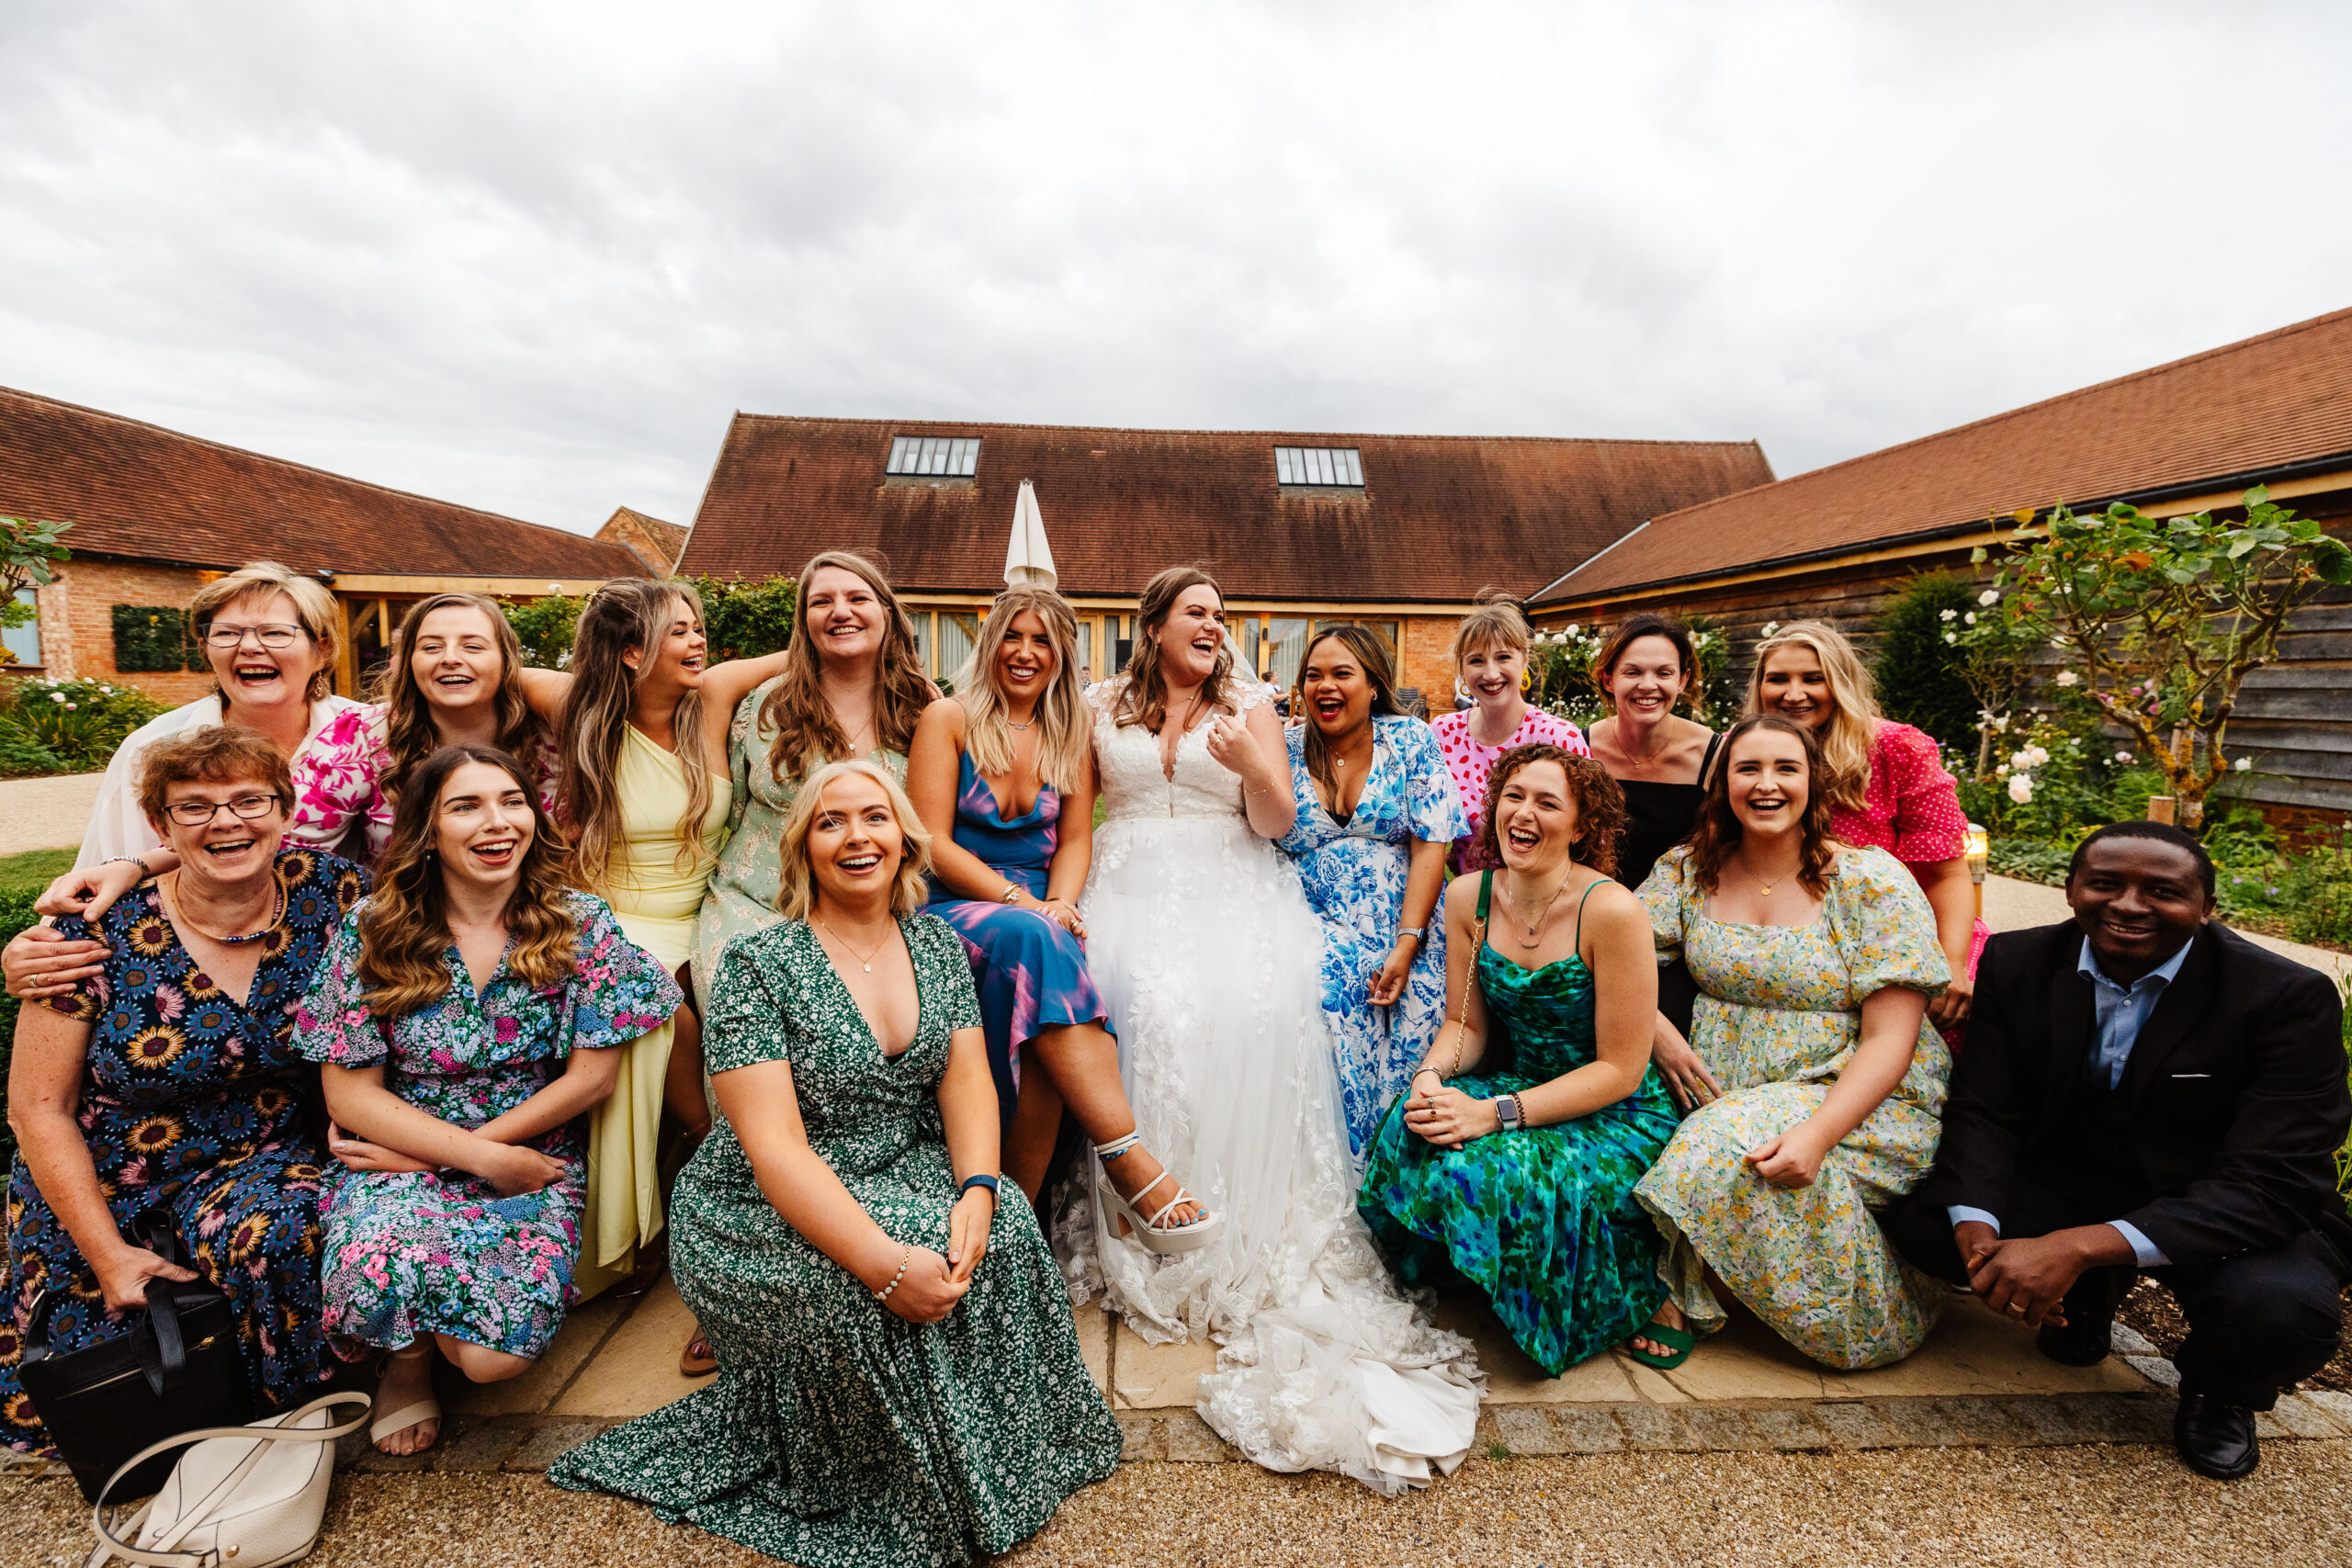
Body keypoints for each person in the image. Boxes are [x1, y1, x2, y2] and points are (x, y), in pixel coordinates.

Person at [547, 761, 1121, 1567]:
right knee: (869, 1292)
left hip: (902, 1158)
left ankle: (990, 1459)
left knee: (1005, 1236)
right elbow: (774, 1149)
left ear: (904, 840)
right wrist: (886, 1267)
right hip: (761, 1203)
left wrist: (981, 1190)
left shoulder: (935, 943)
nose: (857, 836)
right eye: (831, 821)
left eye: (875, 817)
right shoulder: (757, 966)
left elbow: (968, 1086)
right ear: (802, 849)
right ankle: (906, 1483)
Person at [1066, 564, 1480, 1494]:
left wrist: (1255, 765)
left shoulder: (1251, 702)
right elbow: (1079, 822)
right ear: (1155, 625)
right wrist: (1069, 902)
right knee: (1131, 1000)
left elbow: (1275, 819)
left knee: (1239, 1007)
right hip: (1128, 884)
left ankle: (1233, 1215)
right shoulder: (1098, 703)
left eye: (1221, 614)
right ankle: (1147, 1206)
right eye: (1197, 614)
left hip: (1231, 880)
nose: (1215, 626)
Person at [1879, 821, 2352, 1481]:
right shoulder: (2018, 961)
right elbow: (1986, 1109)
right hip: (2075, 1174)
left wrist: (2073, 1246)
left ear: (2206, 907)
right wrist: (1980, 1228)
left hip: (2224, 1202)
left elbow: (2275, 1180)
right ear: (2072, 890)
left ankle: (2222, 1391)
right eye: (2105, 883)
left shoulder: (2283, 997)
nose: (2128, 904)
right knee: (1930, 1223)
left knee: (2281, 1311)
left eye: (2162, 890)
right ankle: (2089, 1297)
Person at [293, 746, 681, 1456]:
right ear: (427, 830)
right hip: (402, 1145)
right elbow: (348, 1091)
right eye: (466, 806)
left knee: (492, 1360)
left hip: (531, 1151)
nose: (496, 822)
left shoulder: (579, 923)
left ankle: (433, 1322)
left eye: (511, 801)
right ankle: (407, 1364)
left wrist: (489, 1157)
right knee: (377, 1273)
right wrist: (465, 1158)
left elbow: (592, 1078)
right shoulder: (374, 928)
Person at [1, 728, 368, 1453]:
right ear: (162, 826)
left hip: (262, 1154)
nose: (226, 821)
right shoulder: (92, 928)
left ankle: (296, 1425)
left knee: (295, 1228)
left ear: (284, 810)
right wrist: (107, 1253)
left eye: (247, 800)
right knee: (115, 1388)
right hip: (109, 1177)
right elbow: (36, 1108)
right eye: (194, 807)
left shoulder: (333, 891)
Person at [1628, 716, 1951, 1371]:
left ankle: (1686, 1295)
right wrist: (1657, 1031)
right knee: (1656, 1139)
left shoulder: (1870, 880)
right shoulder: (1688, 870)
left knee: (1721, 1149)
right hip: (1722, 1082)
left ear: (1814, 783)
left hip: (1855, 1093)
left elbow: (1893, 1035)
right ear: (1721, 783)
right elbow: (1610, 953)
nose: (1766, 784)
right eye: (1748, 768)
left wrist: (1819, 1134)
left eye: (1786, 768)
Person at [1358, 745, 1679, 1377]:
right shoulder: (1470, 897)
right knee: (1409, 1124)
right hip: (1516, 1077)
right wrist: (1429, 1076)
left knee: (1496, 1165)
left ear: (1583, 826)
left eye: (1547, 802)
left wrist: (1494, 1113)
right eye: (1514, 796)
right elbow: (1465, 1024)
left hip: (1610, 1108)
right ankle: (1473, 1275)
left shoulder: (1611, 910)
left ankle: (1626, 1296)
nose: (1524, 814)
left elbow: (1620, 1069)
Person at [907, 587, 1214, 1236]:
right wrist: (1024, 901)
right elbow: (930, 840)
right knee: (1037, 940)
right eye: (1012, 637)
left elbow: (1075, 839)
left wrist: (1063, 903)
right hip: (956, 903)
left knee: (1047, 998)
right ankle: (1125, 1157)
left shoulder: (1071, 731)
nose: (1025, 652)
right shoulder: (950, 720)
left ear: (1061, 652)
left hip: (1041, 910)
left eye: (1041, 640)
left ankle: (1014, 1225)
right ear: (990, 645)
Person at [526, 577, 790, 1301]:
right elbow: (487, 667)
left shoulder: (715, 696)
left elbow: (810, 648)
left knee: (734, 993)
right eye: (678, 631)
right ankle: (710, 1179)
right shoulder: (580, 707)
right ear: (630, 651)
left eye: (698, 625)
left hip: (702, 910)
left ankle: (724, 1183)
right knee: (652, 1005)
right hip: (609, 914)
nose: (698, 639)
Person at [3, 560, 361, 1001]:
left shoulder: (369, 737)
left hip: (338, 960)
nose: (249, 647)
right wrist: (44, 953)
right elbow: (104, 865)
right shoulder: (153, 747)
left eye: (275, 632)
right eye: (227, 633)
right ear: (205, 648)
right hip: (191, 971)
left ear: (321, 650)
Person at [690, 551, 935, 1012]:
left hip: (873, 916)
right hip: (757, 906)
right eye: (822, 602)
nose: (840, 611)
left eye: (857, 598)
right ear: (804, 622)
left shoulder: (922, 714)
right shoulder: (766, 706)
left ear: (887, 612)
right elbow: (735, 809)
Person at [1276, 625, 1466, 1163]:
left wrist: (1407, 943)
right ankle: (1336, 1172)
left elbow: (1433, 841)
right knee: (1317, 1018)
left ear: (1373, 685)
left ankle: (1398, 1178)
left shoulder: (1409, 740)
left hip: (1404, 925)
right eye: (1313, 675)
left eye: (1342, 674)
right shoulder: (1285, 748)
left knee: (1413, 1046)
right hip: (1310, 925)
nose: (1325, 686)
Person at [1749, 621, 1980, 1035]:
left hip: (1898, 933)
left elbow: (1947, 873)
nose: (1794, 693)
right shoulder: (1741, 749)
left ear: (1840, 683)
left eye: (1813, 679)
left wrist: (1952, 960)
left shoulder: (1898, 748)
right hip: (1791, 934)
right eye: (1778, 679)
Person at [1428, 593, 1588, 875]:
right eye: (1476, 660)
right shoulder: (1443, 733)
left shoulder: (1559, 737)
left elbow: (1588, 830)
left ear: (1524, 660)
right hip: (1472, 898)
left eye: (1503, 658)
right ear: (1462, 669)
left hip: (1542, 893)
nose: (1491, 673)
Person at [1584, 614, 1721, 894]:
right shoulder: (1580, 748)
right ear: (1608, 680)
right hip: (1591, 912)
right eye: (1632, 672)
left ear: (1682, 680)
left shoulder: (1713, 755)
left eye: (1663, 673)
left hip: (1681, 917)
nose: (1648, 685)